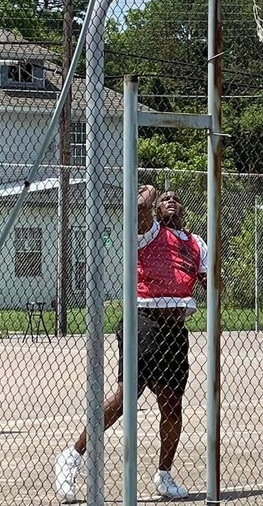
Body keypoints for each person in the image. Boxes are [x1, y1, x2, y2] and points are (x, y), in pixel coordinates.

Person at [54, 188, 207, 502]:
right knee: (127, 395)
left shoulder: (195, 242)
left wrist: (210, 280)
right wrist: (146, 196)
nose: (171, 201)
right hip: (143, 320)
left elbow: (210, 279)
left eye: (176, 198)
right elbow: (137, 209)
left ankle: (164, 476)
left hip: (175, 329)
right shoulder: (149, 232)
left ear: (183, 208)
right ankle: (72, 456)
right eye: (164, 198)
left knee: (172, 406)